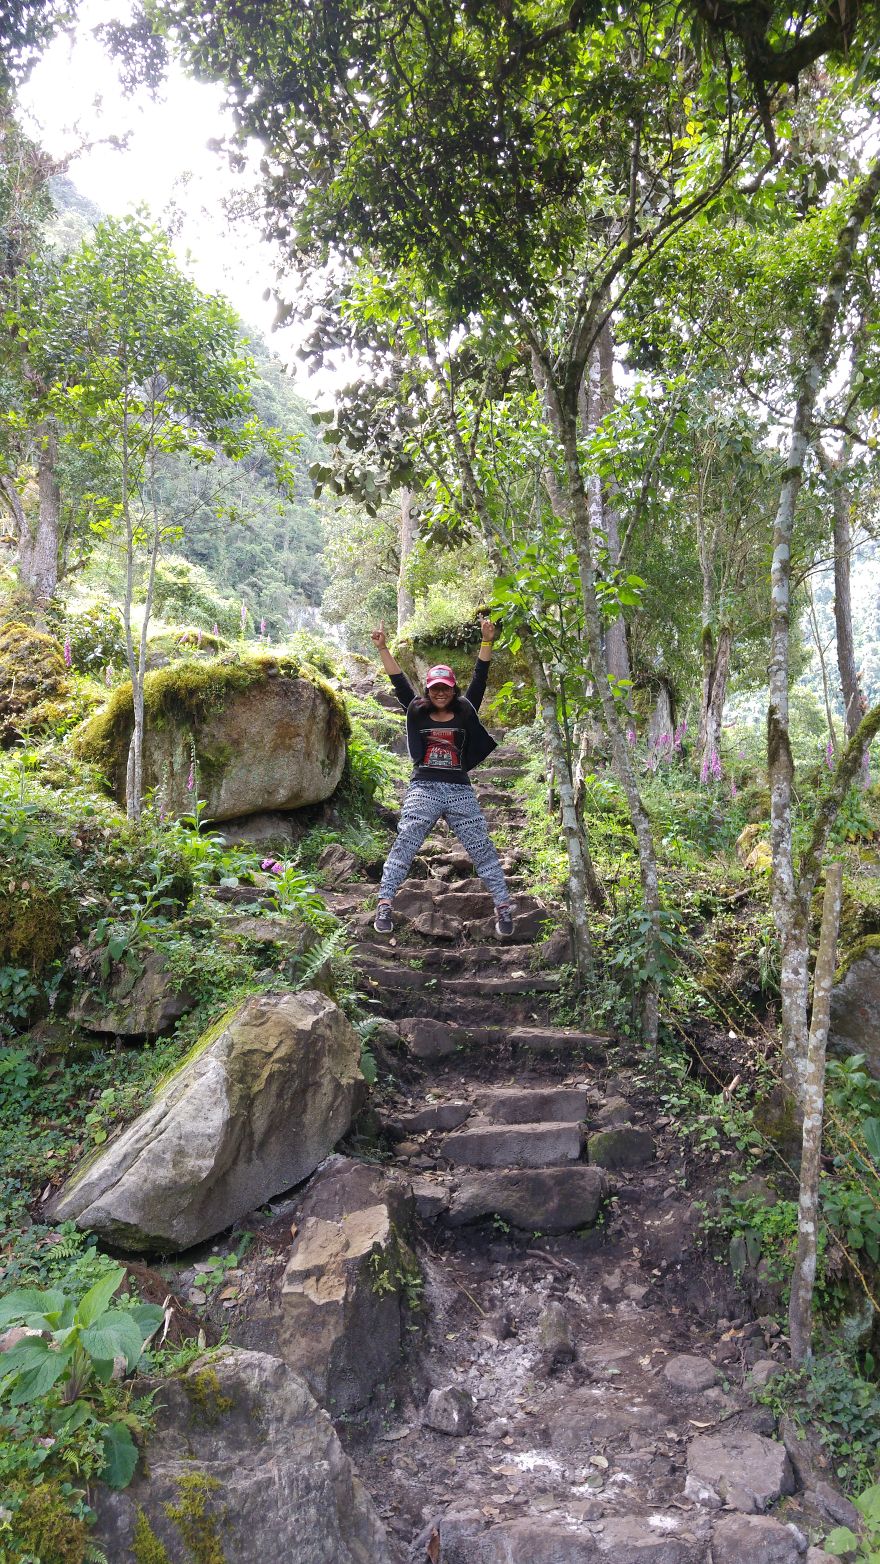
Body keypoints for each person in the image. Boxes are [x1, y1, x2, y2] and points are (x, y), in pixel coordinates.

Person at [370, 617, 515, 938]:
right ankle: (384, 904)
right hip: (424, 787)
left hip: (459, 790)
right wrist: (382, 648)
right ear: (428, 690)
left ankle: (503, 907)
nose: (439, 693)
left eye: (445, 688)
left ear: (452, 690)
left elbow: (480, 678)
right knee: (406, 842)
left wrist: (486, 642)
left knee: (481, 847)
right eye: (434, 688)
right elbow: (398, 682)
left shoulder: (465, 710)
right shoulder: (417, 709)